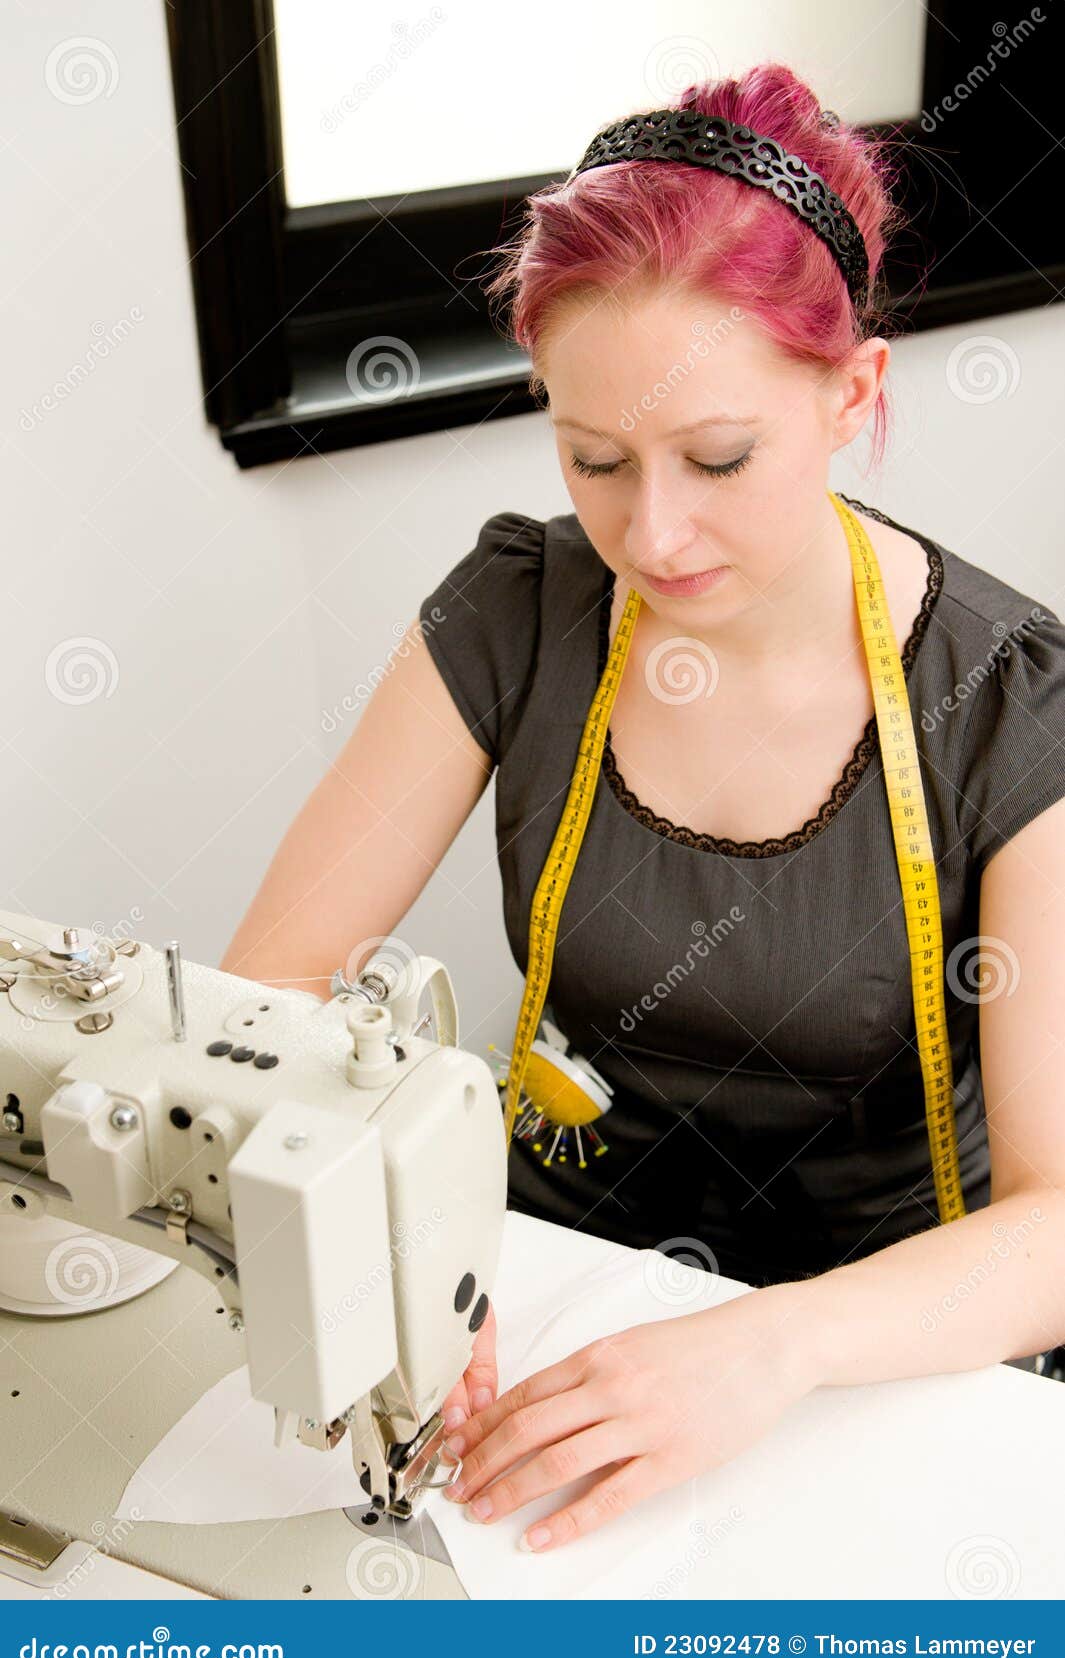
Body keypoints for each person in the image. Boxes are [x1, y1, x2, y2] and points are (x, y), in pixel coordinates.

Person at [220, 64, 1065, 1557]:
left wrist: (774, 1347)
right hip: (544, 1290)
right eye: (593, 461)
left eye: (717, 459)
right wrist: (395, 1249)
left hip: (875, 1349)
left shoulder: (1010, 705)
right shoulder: (518, 611)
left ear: (853, 395)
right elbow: (261, 1000)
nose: (652, 534)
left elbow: (1054, 1230)